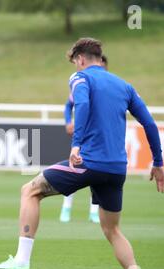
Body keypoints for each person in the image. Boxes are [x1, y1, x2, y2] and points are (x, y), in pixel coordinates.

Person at [0, 38, 164, 269]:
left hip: (88, 162)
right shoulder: (125, 86)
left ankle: (21, 261)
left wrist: (76, 144)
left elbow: (80, 105)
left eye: (74, 62)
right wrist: (159, 162)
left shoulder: (80, 78)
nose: (75, 66)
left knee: (30, 190)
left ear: (81, 59)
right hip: (116, 169)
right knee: (112, 230)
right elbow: (149, 123)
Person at [60, 55, 108, 224]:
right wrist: (68, 122)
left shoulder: (110, 87)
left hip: (99, 137)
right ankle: (66, 207)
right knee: (73, 169)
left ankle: (94, 210)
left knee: (96, 172)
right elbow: (69, 105)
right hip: (82, 135)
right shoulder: (83, 84)